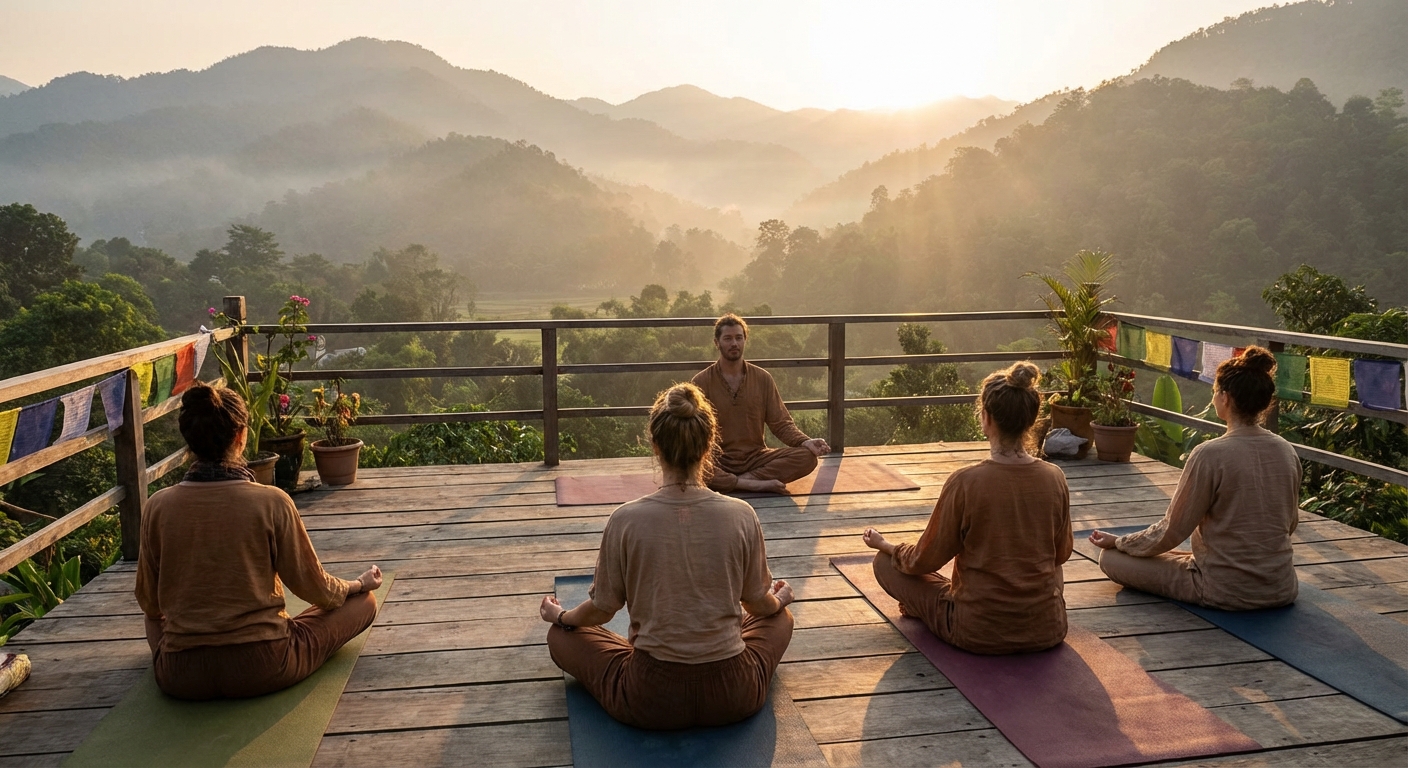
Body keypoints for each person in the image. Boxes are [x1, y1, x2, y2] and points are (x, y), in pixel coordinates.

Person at [541, 383, 795, 729]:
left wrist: (562, 616)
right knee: (781, 620)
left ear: (655, 445)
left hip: (651, 697)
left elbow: (602, 609)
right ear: (709, 446)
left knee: (561, 636)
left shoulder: (625, 519)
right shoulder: (741, 514)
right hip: (734, 693)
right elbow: (757, 605)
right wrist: (779, 601)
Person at [135, 383, 382, 700]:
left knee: (155, 618)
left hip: (181, 676)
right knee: (365, 604)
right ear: (240, 436)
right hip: (265, 667)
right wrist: (357, 585)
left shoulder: (158, 506)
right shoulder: (272, 502)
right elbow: (316, 589)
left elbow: (150, 604)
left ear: (189, 440)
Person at [861, 362, 1072, 654]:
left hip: (977, 630)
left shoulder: (966, 482)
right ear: (1032, 419)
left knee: (886, 565)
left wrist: (886, 546)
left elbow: (924, 560)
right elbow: (1060, 555)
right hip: (1048, 628)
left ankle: (928, 608)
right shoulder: (1055, 478)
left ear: (985, 418)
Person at [1088, 346, 1300, 609]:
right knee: (1172, 556)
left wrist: (1120, 542)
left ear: (1226, 398)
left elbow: (1172, 530)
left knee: (1110, 559)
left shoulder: (1209, 454)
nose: (1213, 399)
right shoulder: (1286, 450)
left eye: (1215, 393)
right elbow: (1289, 524)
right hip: (1281, 586)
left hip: (1222, 589)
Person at [691, 313, 829, 493]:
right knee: (691, 464)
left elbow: (781, 424)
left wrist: (806, 442)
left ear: (745, 340)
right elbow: (692, 434)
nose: (734, 344)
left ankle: (745, 481)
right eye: (728, 338)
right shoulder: (701, 382)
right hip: (719, 461)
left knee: (807, 458)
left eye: (739, 338)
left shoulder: (762, 378)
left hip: (755, 458)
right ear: (716, 343)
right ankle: (752, 483)